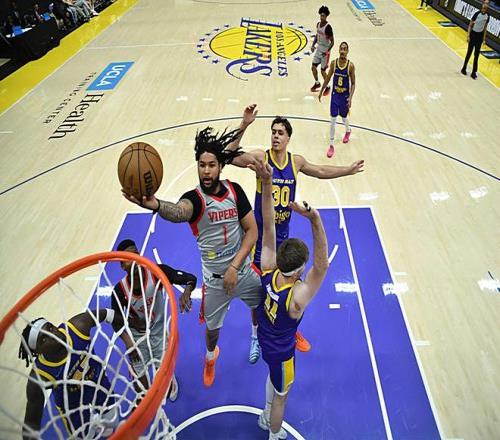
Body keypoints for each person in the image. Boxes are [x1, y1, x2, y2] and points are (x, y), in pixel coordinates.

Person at [122, 127, 263, 388]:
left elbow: (252, 231)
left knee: (262, 305)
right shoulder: (194, 200)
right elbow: (179, 211)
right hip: (216, 282)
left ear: (220, 166)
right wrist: (156, 205)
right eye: (202, 165)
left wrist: (234, 266)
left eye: (211, 165)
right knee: (212, 332)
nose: (206, 171)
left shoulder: (235, 191)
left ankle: (256, 336)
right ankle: (210, 357)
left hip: (242, 271)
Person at [228, 105, 363, 358]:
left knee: (296, 288)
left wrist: (347, 170)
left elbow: (320, 171)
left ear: (288, 138)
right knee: (260, 294)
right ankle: (255, 335)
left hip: (283, 239)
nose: (275, 136)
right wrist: (244, 125)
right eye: (273, 132)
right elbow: (229, 155)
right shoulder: (261, 157)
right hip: (262, 238)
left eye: (280, 133)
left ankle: (291, 329)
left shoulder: (296, 162)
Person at [253, 160, 329, 440]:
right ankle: (273, 434)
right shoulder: (296, 298)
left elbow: (268, 226)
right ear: (298, 270)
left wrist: (267, 183)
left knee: (272, 380)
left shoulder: (268, 267)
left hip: (264, 338)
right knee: (281, 396)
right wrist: (315, 219)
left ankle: (265, 414)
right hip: (283, 352)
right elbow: (321, 266)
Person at [111, 238, 197, 400]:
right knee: (140, 385)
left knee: (164, 379)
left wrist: (186, 292)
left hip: (158, 332)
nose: (134, 259)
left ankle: (170, 379)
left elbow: (190, 278)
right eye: (128, 258)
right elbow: (115, 321)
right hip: (136, 338)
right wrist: (129, 342)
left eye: (136, 254)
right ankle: (146, 397)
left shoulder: (157, 272)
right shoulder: (119, 290)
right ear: (122, 266)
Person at [20, 309, 124, 439]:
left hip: (98, 384)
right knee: (86, 436)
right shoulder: (40, 375)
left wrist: (130, 324)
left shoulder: (78, 327)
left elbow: (107, 314)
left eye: (50, 327)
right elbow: (31, 422)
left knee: (112, 421)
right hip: (74, 406)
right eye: (43, 339)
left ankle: (104, 424)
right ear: (37, 352)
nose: (51, 334)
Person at [319, 41, 356, 158]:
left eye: (345, 49)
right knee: (332, 121)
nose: (343, 51)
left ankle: (348, 130)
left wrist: (350, 98)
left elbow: (353, 83)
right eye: (341, 48)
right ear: (339, 50)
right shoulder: (334, 63)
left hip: (344, 97)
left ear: (347, 51)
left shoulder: (350, 66)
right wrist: (321, 90)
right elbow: (328, 78)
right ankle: (331, 145)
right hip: (335, 96)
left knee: (344, 118)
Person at [461, 0, 490, 80]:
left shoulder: (488, 16)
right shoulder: (477, 14)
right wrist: (468, 36)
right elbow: (470, 25)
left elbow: (485, 28)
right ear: (482, 4)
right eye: (485, 3)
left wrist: (484, 39)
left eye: (487, 4)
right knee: (469, 53)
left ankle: (474, 72)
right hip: (473, 35)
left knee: (476, 55)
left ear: (488, 6)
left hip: (479, 36)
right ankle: (464, 68)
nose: (486, 5)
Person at [310, 5, 334, 94]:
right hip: (318, 49)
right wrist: (313, 45)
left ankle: (328, 86)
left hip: (325, 51)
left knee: (323, 71)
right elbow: (317, 35)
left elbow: (332, 42)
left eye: (323, 16)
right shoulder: (318, 24)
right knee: (313, 67)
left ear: (326, 16)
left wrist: (327, 52)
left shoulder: (328, 27)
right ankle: (317, 83)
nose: (321, 17)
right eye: (321, 15)